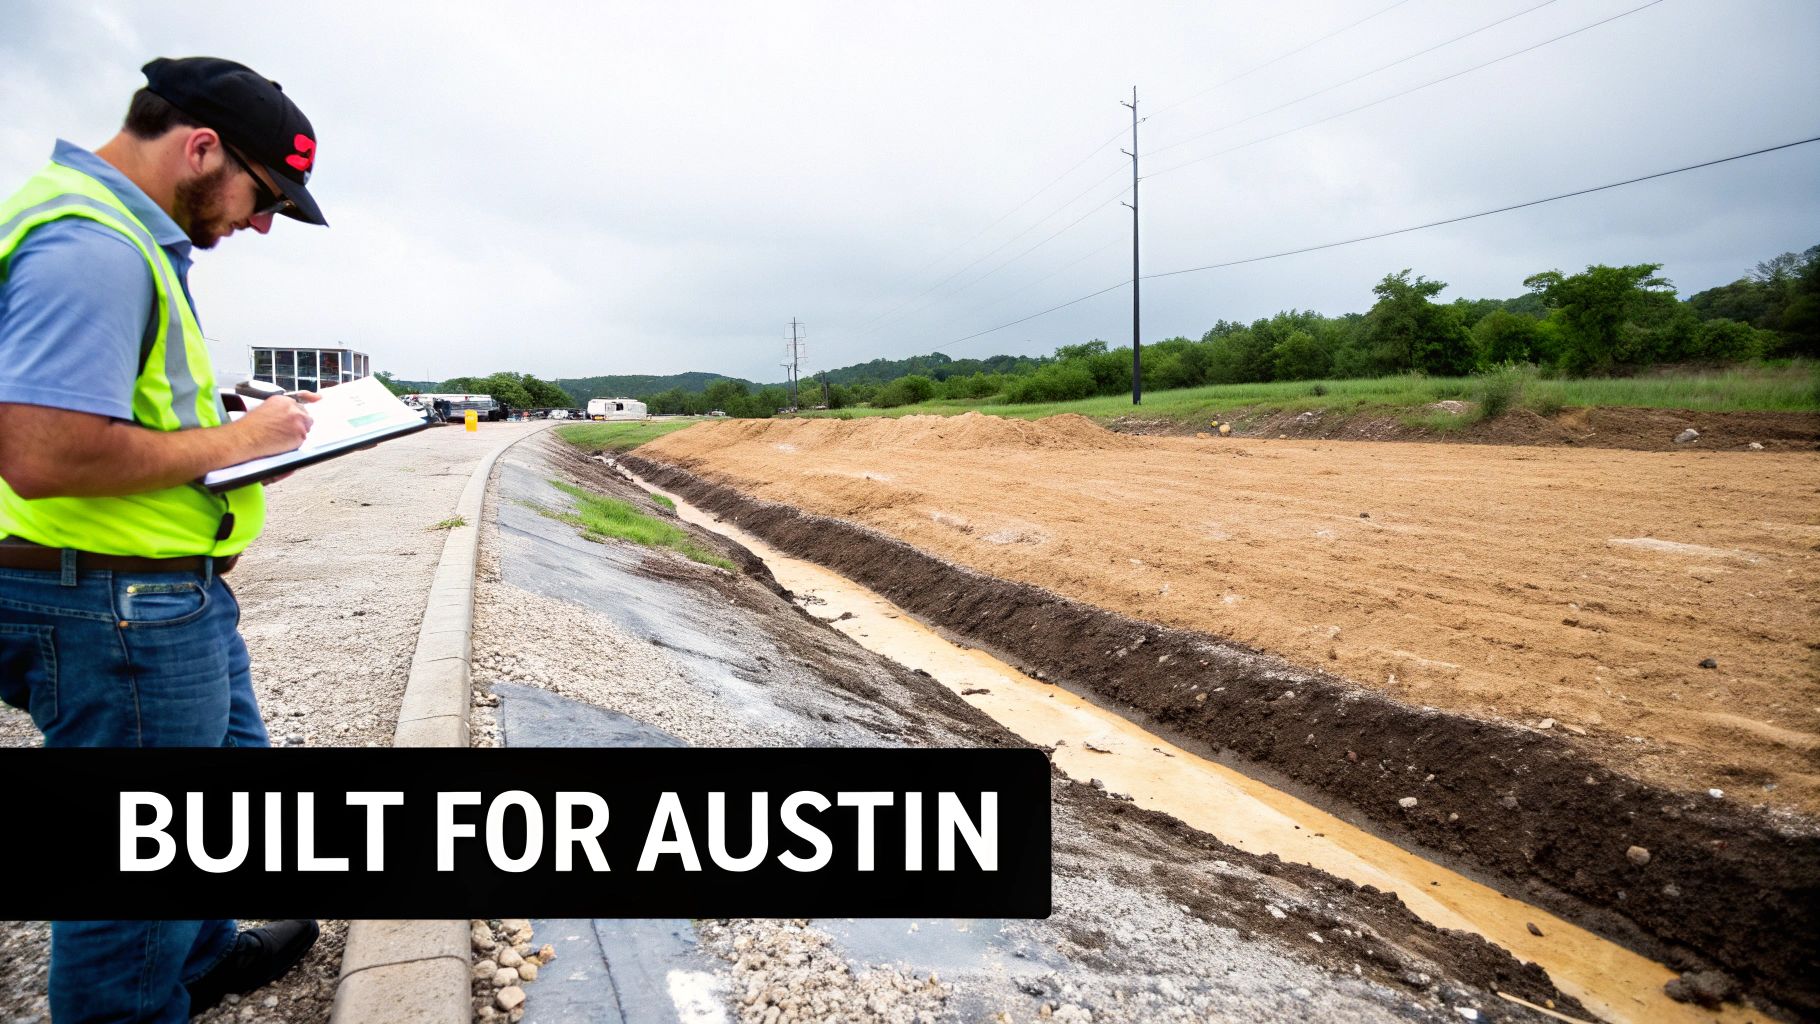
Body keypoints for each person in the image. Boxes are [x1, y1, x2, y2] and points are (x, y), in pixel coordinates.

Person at [0, 57, 331, 1022]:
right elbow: (44, 451)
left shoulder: (118, 236)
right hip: (116, 608)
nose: (260, 222)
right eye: (263, 195)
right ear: (200, 149)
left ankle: (197, 959)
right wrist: (242, 439)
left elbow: (109, 405)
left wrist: (223, 425)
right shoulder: (91, 246)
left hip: (158, 593)